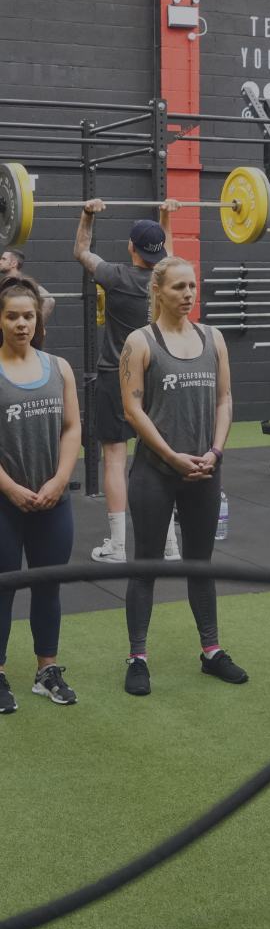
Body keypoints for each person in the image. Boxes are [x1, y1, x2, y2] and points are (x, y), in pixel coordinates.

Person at [119, 256, 247, 696]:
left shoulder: (214, 338)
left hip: (204, 471)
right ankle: (137, 657)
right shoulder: (140, 342)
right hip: (155, 471)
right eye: (178, 287)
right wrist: (172, 456)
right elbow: (132, 409)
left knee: (199, 563)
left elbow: (225, 399)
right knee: (146, 565)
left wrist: (215, 451)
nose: (188, 294)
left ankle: (211, 651)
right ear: (158, 291)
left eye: (192, 285)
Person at [74, 201, 180, 564]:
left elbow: (81, 251)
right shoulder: (166, 280)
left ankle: (118, 546)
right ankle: (170, 545)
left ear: (131, 247)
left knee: (115, 459)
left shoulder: (114, 276)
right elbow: (170, 255)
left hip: (115, 376)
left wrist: (88, 214)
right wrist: (166, 215)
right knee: (161, 457)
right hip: (156, 375)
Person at [0, 275, 81, 713]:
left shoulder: (59, 368)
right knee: (3, 589)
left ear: (38, 320)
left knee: (48, 586)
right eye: (12, 316)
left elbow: (72, 428)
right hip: (5, 503)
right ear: (0, 320)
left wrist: (59, 479)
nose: (21, 324)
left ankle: (46, 670)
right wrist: (11, 487)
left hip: (53, 501)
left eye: (28, 316)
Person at [0, 248, 56, 322]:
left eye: (4, 259)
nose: (0, 262)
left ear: (14, 263)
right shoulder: (4, 282)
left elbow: (49, 300)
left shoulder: (23, 281)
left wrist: (38, 325)